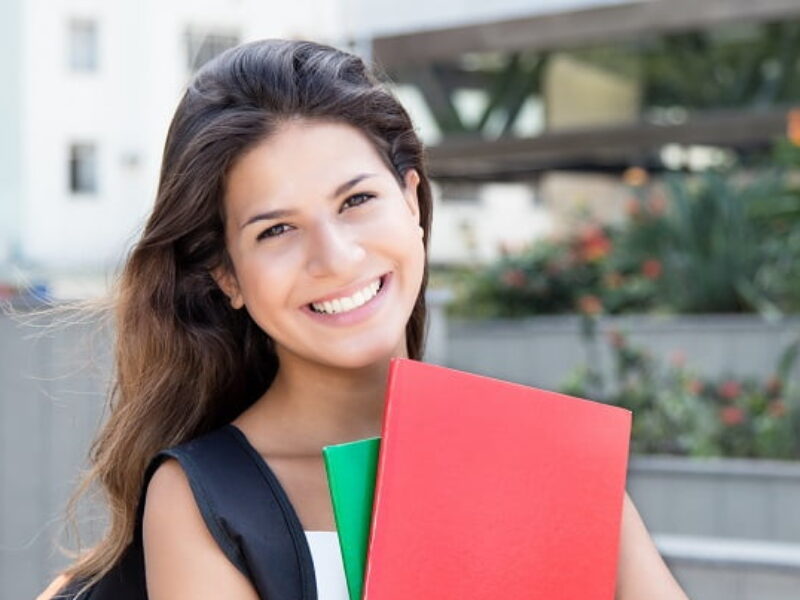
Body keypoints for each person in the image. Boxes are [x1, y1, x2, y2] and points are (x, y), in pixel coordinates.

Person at [38, 38, 689, 600]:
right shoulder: (207, 499)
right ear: (228, 276)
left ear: (411, 201)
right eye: (277, 230)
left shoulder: (545, 453)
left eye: (356, 200)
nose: (336, 256)